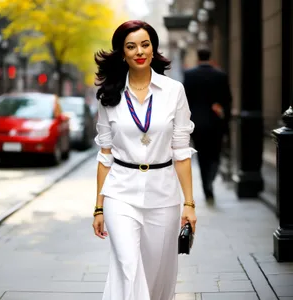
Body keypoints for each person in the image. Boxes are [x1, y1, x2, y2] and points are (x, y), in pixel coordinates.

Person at [92, 20, 197, 300]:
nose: (139, 51)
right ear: (122, 53)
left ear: (153, 48)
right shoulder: (109, 97)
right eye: (131, 46)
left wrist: (189, 203)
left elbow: (182, 151)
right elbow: (105, 155)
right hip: (120, 193)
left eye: (145, 44)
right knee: (128, 267)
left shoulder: (174, 91)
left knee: (158, 275)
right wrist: (99, 208)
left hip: (163, 194)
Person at [183, 47, 232, 201]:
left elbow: (184, 101)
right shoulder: (220, 75)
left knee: (202, 156)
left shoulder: (189, 75)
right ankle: (211, 179)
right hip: (216, 122)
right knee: (215, 154)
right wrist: (225, 119)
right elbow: (228, 100)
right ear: (210, 57)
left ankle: (206, 185)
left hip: (197, 124)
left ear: (198, 57)